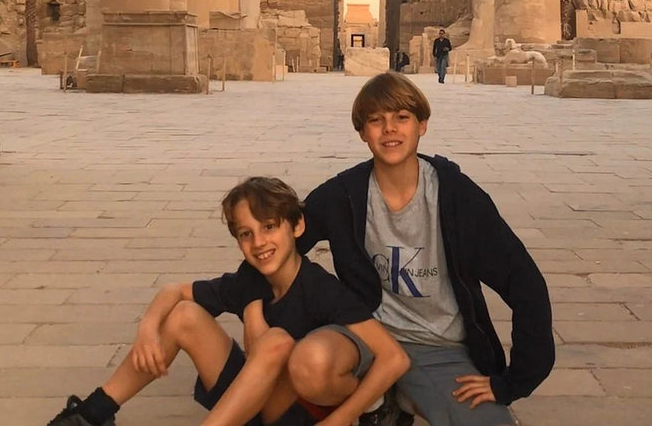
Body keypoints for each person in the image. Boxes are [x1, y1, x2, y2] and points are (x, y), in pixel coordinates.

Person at [296, 72, 555, 425]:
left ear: (422, 125)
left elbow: (524, 281)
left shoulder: (457, 197)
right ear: (362, 132)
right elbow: (279, 247)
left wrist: (515, 381)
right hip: (366, 337)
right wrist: (255, 307)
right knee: (311, 364)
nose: (389, 129)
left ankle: (402, 394)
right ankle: (377, 403)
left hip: (438, 347)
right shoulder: (342, 195)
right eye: (376, 120)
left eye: (402, 117)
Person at [47, 177, 409, 426]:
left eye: (269, 227)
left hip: (298, 409)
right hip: (251, 401)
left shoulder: (320, 288)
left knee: (276, 341)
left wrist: (341, 418)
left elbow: (394, 357)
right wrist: (147, 330)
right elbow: (174, 290)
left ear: (297, 227)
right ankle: (92, 412)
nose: (259, 242)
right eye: (246, 234)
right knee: (184, 314)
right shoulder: (250, 279)